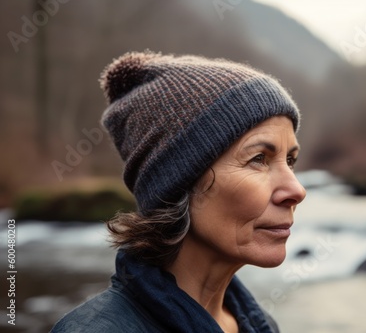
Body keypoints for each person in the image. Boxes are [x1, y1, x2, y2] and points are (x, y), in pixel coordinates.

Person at [51, 50, 306, 333]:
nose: (296, 190)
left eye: (290, 160)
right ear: (179, 181)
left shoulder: (259, 325)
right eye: (258, 158)